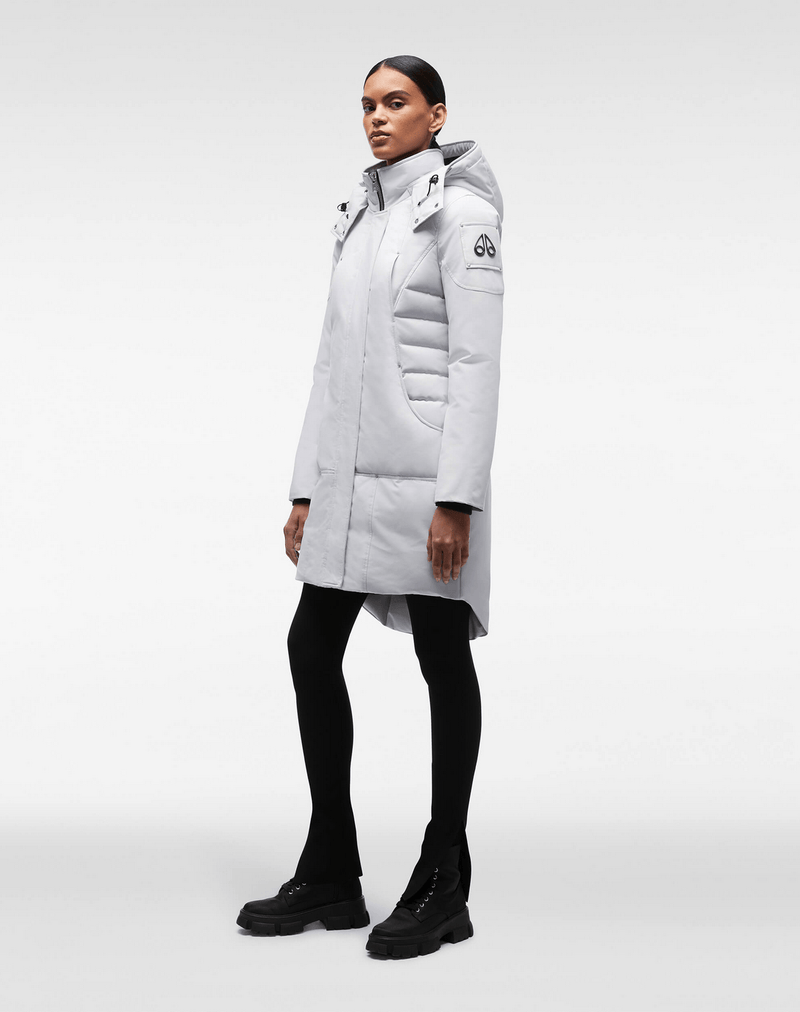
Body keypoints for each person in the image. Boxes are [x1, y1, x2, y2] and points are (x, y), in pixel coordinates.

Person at [236, 55, 504, 959]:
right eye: (366, 105)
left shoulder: (463, 217)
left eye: (396, 103)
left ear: (437, 115)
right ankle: (331, 868)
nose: (377, 118)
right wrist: (305, 487)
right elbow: (329, 361)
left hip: (428, 486)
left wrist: (458, 499)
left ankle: (443, 877)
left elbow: (476, 365)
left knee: (440, 656)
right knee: (311, 645)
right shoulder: (361, 217)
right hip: (349, 484)